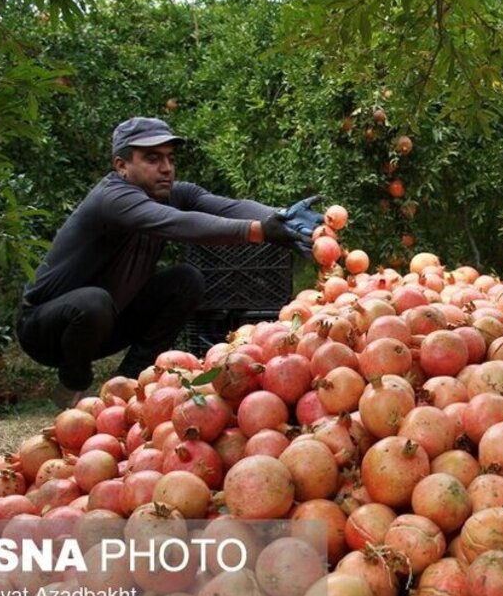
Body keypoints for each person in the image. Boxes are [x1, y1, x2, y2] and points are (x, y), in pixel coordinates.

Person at [16, 117, 320, 408]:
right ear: (121, 166)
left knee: (185, 281)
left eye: (170, 158)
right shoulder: (112, 198)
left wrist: (282, 216)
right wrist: (259, 232)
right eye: (152, 159)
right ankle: (73, 386)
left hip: (109, 322)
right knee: (93, 301)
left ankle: (129, 386)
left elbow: (228, 207)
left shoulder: (174, 193)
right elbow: (178, 223)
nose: (166, 169)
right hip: (47, 329)